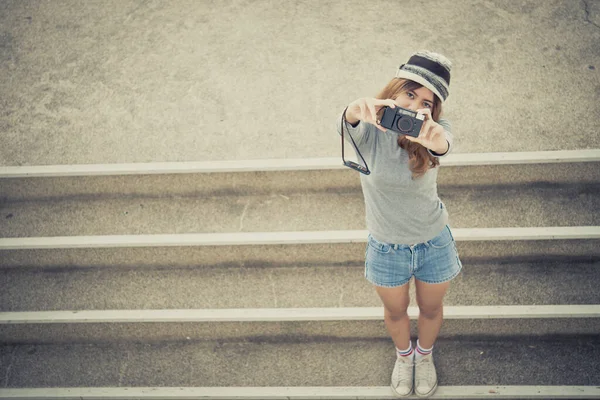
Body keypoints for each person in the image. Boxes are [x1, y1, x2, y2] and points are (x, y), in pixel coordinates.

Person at [337, 50, 462, 398]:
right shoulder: (370, 132)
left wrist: (431, 137)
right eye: (410, 93)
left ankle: (424, 356)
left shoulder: (435, 130)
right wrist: (353, 110)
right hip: (386, 245)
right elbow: (346, 125)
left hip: (433, 241)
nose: (416, 105)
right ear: (393, 92)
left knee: (431, 308)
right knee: (395, 312)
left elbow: (444, 144)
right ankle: (404, 356)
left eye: (427, 101)